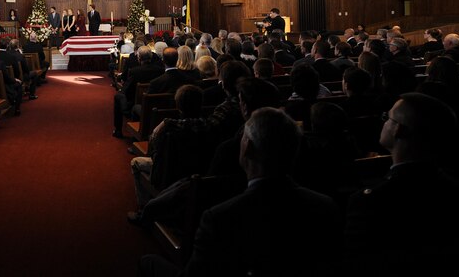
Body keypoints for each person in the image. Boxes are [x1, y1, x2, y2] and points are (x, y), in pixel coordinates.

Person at [139, 107, 342, 277]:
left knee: (147, 262)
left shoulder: (218, 219)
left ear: (248, 149)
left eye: (243, 139)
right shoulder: (326, 206)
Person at [345, 93, 459, 275]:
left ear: (397, 130)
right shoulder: (458, 191)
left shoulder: (370, 203)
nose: (384, 121)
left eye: (388, 118)